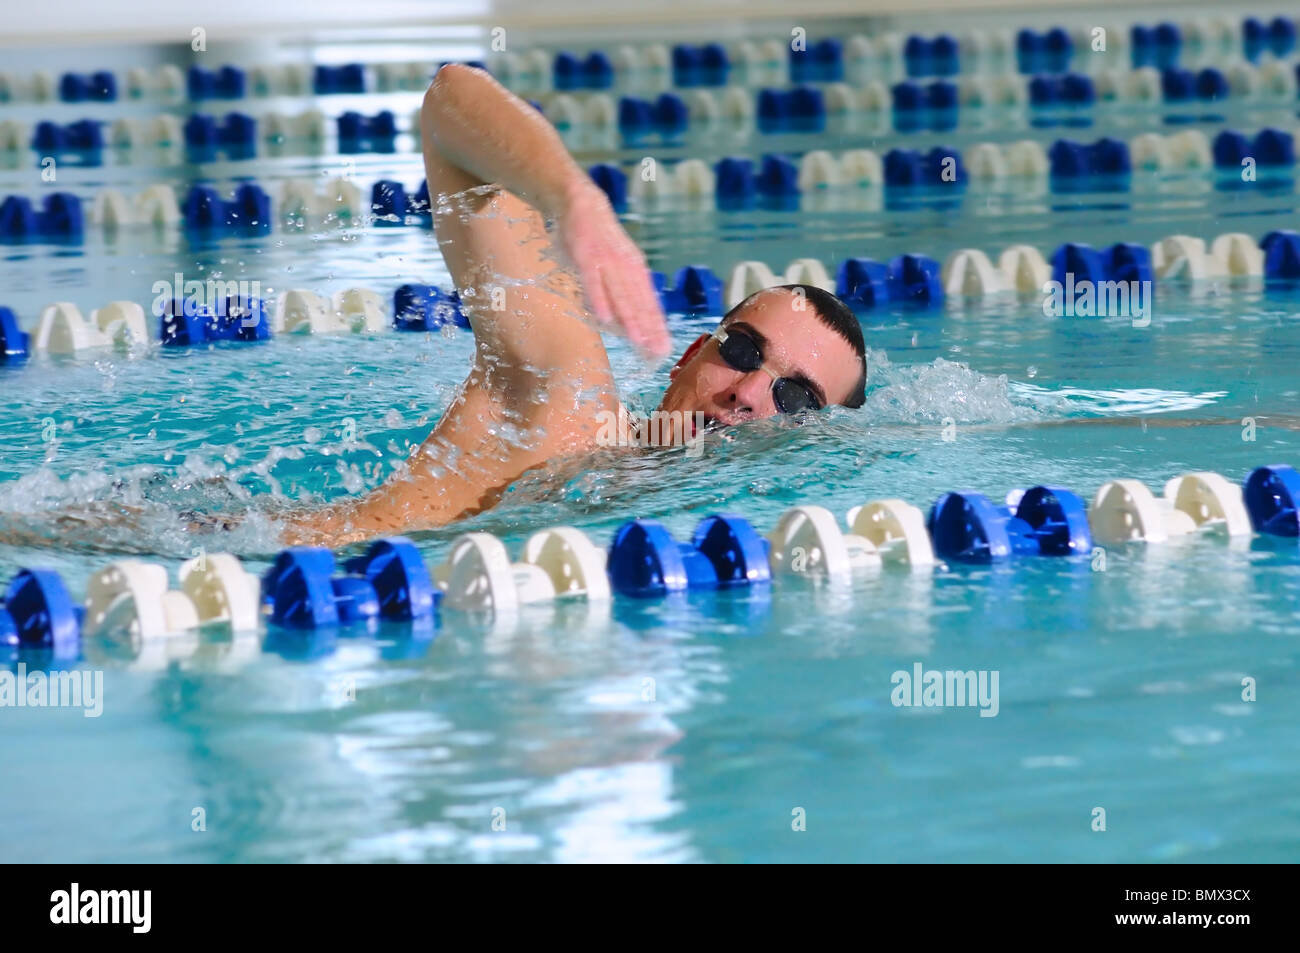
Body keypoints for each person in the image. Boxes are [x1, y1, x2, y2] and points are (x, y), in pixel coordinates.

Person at [278, 64, 869, 546]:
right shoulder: (567, 409)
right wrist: (572, 197)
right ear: (692, 351)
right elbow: (449, 99)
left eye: (794, 399)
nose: (747, 392)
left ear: (818, 442)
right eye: (742, 350)